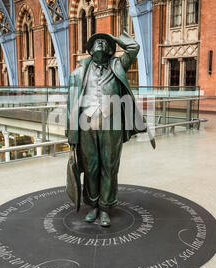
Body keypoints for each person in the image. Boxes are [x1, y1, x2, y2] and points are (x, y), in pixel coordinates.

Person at [66, 31, 155, 227]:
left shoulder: (118, 65)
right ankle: (93, 206)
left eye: (104, 43)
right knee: (91, 168)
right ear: (89, 50)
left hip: (112, 124)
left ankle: (105, 208)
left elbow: (134, 48)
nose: (101, 44)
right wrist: (71, 134)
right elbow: (71, 104)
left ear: (110, 50)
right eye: (97, 42)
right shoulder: (77, 73)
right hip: (85, 125)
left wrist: (113, 39)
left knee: (109, 167)